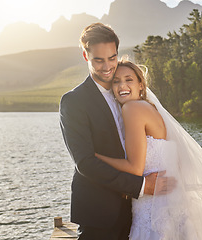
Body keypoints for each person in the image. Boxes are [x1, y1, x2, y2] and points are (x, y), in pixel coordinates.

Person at [95, 59, 202, 240]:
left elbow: (134, 169)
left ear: (141, 85)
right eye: (116, 81)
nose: (122, 85)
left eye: (128, 79)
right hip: (166, 204)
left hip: (153, 210)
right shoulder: (149, 108)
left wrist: (96, 156)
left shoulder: (132, 108)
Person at [59, 23, 174, 240]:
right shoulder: (73, 102)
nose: (107, 67)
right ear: (85, 56)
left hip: (136, 210)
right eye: (98, 60)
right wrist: (141, 186)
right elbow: (85, 163)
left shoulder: (124, 92)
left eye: (112, 58)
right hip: (99, 212)